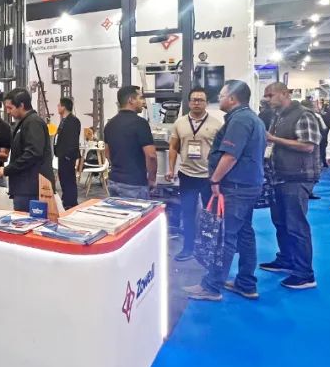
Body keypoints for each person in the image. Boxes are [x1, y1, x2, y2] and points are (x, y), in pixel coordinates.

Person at [184, 80, 266, 302]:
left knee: (226, 237)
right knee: (244, 234)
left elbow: (230, 156)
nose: (218, 99)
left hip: (236, 188)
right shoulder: (252, 118)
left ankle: (212, 286)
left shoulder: (239, 121)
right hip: (248, 186)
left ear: (232, 98)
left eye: (221, 96)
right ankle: (246, 283)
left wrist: (215, 180)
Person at [260, 83, 322, 290]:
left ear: (284, 94)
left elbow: (308, 145)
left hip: (298, 177)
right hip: (280, 176)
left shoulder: (304, 115)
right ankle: (286, 258)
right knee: (280, 222)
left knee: (296, 226)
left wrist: (274, 139)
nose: (267, 99)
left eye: (270, 95)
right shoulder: (278, 116)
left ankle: (305, 274)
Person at [167, 88, 222, 262]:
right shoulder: (180, 123)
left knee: (210, 215)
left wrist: (218, 176)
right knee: (187, 213)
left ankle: (208, 248)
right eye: (194, 100)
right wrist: (171, 169)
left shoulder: (217, 125)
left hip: (208, 177)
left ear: (207, 103)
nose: (197, 102)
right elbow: (173, 147)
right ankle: (188, 248)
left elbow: (221, 152)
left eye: (201, 100)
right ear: (189, 102)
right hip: (187, 175)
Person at [0, 88, 54, 212]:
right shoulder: (25, 122)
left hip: (31, 189)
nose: (8, 111)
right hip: (24, 188)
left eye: (10, 108)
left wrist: (7, 169)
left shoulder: (33, 122)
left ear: (21, 105)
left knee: (28, 222)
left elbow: (33, 154)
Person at [102, 86, 157, 200]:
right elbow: (151, 155)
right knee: (137, 212)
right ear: (131, 100)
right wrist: (152, 179)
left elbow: (107, 153)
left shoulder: (110, 124)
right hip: (134, 185)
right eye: (140, 98)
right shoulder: (141, 123)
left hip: (114, 181)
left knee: (117, 211)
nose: (143, 102)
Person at [54, 97, 82, 209]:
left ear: (64, 107)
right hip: (61, 155)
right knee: (63, 180)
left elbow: (73, 140)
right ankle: (66, 201)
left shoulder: (73, 121)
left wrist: (67, 156)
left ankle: (71, 203)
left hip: (68, 157)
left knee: (69, 180)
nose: (57, 107)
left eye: (59, 105)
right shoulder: (63, 120)